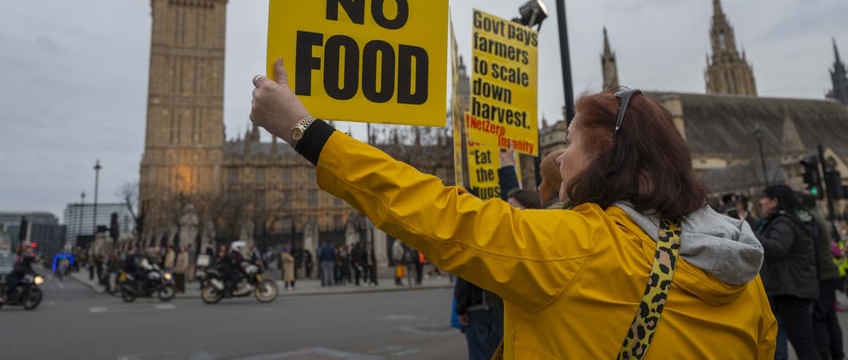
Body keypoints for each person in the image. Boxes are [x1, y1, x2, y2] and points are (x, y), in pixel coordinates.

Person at [251, 60, 776, 357]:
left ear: (607, 159)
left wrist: (304, 130)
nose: (557, 158)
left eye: (569, 142)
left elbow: (434, 211)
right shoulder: (741, 268)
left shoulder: (578, 247)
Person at [756, 184, 820, 360]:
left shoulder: (783, 223)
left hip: (792, 290)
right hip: (792, 288)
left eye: (764, 198)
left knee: (804, 344)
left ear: (775, 201)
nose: (761, 202)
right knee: (802, 342)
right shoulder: (790, 219)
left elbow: (778, 248)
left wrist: (750, 236)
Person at [799, 191, 845, 360]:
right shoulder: (818, 214)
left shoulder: (811, 218)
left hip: (823, 273)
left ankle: (827, 353)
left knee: (819, 317)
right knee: (830, 316)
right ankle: (837, 353)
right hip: (829, 272)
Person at [455, 276, 503, 360]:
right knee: (496, 351)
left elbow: (464, 281)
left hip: (476, 307)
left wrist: (461, 309)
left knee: (478, 352)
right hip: (498, 306)